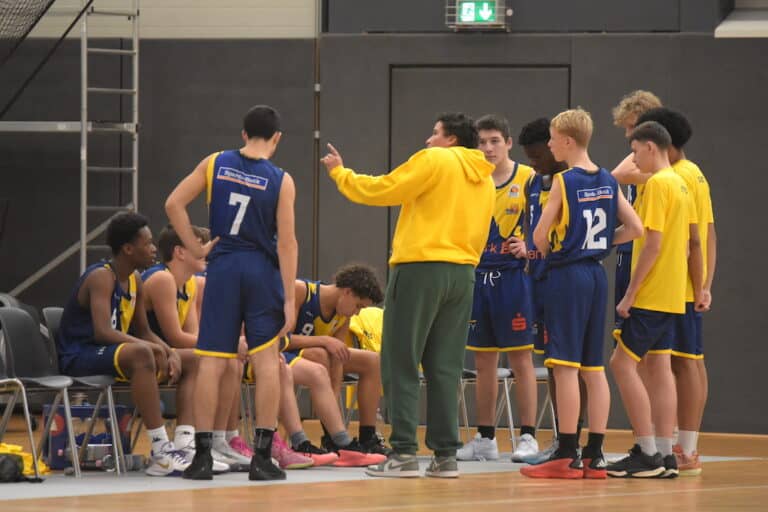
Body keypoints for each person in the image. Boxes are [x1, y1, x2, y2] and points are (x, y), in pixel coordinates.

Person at [321, 112, 495, 478]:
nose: (428, 140)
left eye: (434, 133)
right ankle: (445, 456)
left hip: (420, 268)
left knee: (400, 360)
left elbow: (385, 189)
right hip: (463, 273)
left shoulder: (434, 159)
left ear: (450, 140)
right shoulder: (484, 177)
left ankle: (402, 453)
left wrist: (341, 174)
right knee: (445, 367)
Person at [166, 105, 298, 481]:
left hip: (222, 267)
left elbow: (173, 203)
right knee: (266, 361)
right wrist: (288, 297)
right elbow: (287, 244)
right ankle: (261, 458)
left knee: (211, 361)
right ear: (277, 138)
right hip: (260, 270)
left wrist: (194, 247)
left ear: (243, 134)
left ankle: (202, 457)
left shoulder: (215, 162)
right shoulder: (282, 180)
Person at [521, 109, 642, 479]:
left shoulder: (563, 181)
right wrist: (604, 243)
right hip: (597, 275)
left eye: (554, 138)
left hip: (567, 274)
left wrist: (550, 246)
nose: (551, 144)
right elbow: (635, 227)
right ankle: (595, 454)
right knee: (593, 368)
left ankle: (566, 451)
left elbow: (539, 236)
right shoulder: (608, 178)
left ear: (568, 141)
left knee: (566, 367)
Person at [56, 212, 189, 476]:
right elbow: (103, 332)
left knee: (195, 358)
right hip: (80, 356)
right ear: (128, 248)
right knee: (141, 353)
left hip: (112, 351)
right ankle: (161, 450)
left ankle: (188, 443)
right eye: (148, 243)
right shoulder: (101, 277)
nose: (153, 249)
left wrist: (168, 349)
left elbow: (144, 330)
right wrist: (151, 348)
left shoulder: (136, 280)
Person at [608, 121, 704, 479]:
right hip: (673, 293)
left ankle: (646, 450)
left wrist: (630, 293)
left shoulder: (659, 185)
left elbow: (653, 244)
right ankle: (666, 454)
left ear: (650, 146)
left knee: (621, 365)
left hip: (651, 293)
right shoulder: (681, 183)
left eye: (634, 151)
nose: (633, 158)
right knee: (659, 367)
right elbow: (692, 240)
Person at [630, 107, 716, 476]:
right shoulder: (686, 174)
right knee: (683, 361)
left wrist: (702, 285)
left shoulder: (678, 177)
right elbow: (706, 234)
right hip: (681, 284)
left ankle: (681, 447)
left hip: (674, 285)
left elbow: (699, 239)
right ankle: (679, 445)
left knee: (682, 362)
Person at [456, 114, 539, 463]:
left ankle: (528, 437)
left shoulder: (528, 178)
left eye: (494, 141)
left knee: (521, 358)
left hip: (514, 279)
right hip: (479, 276)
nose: (488, 148)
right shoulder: (471, 178)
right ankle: (485, 437)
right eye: (482, 142)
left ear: (507, 142)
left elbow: (546, 222)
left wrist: (530, 244)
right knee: (483, 360)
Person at [142, 225, 244, 472]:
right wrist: (228, 343)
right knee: (214, 358)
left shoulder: (189, 284)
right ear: (180, 252)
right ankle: (187, 441)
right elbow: (175, 336)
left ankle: (214, 441)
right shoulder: (162, 278)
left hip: (170, 353)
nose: (206, 252)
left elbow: (193, 336)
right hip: (143, 355)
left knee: (224, 359)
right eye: (200, 246)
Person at [517, 117, 579, 464]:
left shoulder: (572, 183)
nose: (534, 162)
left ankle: (575, 437)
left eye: (538, 154)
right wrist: (527, 252)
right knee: (553, 363)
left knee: (573, 363)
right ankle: (561, 436)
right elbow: (530, 224)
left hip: (565, 278)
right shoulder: (533, 184)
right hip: (537, 279)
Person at [282, 265, 388, 455]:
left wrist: (334, 393)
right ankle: (332, 437)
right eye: (358, 306)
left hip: (319, 359)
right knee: (320, 354)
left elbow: (338, 357)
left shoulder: (343, 314)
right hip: (285, 353)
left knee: (372, 360)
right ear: (347, 292)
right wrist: (324, 340)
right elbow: (282, 339)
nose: (357, 313)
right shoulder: (301, 291)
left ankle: (367, 437)